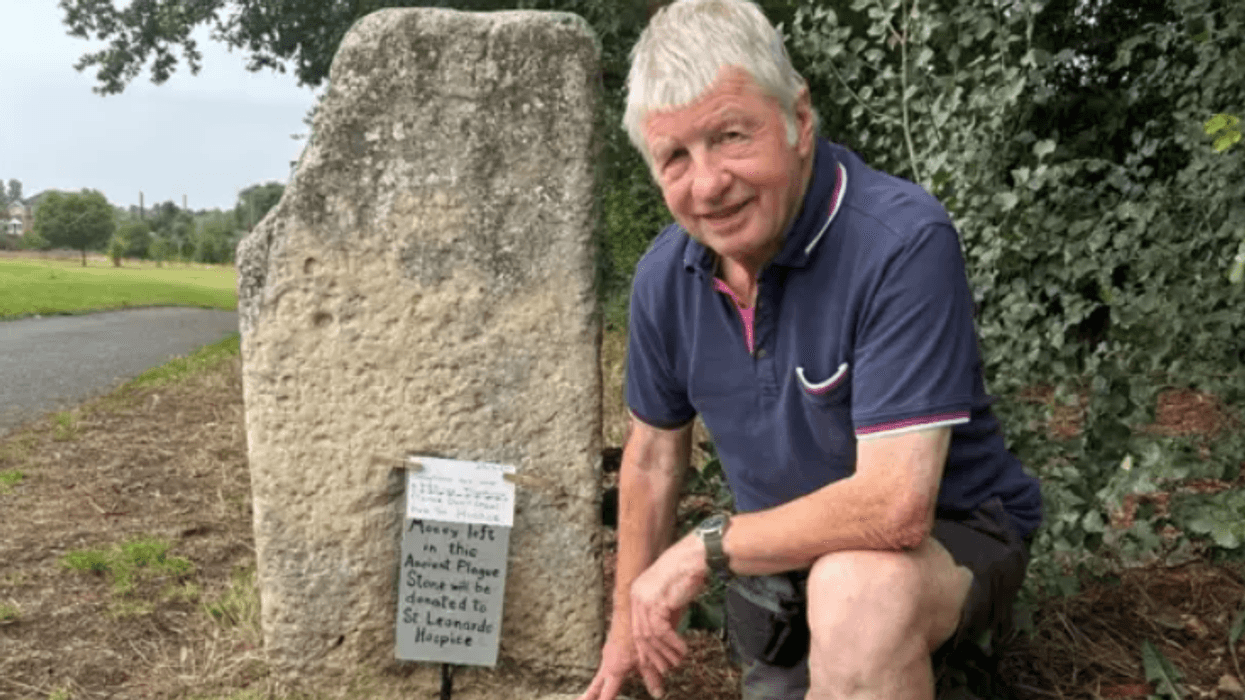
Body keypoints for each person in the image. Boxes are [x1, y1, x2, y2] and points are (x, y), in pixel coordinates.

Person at [577, 1, 1043, 699]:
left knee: (856, 593)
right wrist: (622, 633)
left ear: (798, 119)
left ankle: (956, 658)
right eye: (674, 156)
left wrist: (700, 551)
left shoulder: (899, 242)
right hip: (783, 560)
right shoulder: (662, 278)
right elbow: (650, 458)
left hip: (947, 538)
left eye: (731, 136)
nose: (706, 185)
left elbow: (893, 507)